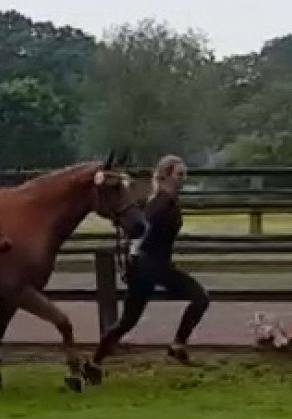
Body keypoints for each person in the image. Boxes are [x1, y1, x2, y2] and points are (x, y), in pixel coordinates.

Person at [84, 154, 210, 384]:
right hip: (151, 266)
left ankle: (94, 363)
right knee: (200, 298)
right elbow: (141, 229)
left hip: (150, 266)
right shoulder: (160, 203)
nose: (183, 179)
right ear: (166, 175)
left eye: (184, 174)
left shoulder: (165, 200)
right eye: (179, 174)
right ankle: (177, 345)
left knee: (127, 321)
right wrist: (133, 256)